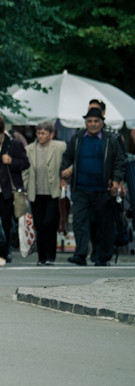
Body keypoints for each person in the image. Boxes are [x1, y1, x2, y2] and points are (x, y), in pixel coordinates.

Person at [61, 106, 125, 266]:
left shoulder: (110, 139)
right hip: (81, 188)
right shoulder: (77, 138)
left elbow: (119, 162)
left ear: (102, 123)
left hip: (103, 189)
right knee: (79, 222)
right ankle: (80, 254)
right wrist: (62, 174)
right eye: (89, 121)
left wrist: (116, 181)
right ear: (86, 123)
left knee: (104, 225)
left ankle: (103, 257)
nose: (93, 124)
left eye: (96, 121)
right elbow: (67, 157)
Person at [0, 114, 29, 266]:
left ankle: (3, 252)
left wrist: (12, 161)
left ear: (3, 133)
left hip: (5, 190)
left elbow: (25, 163)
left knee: (4, 223)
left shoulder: (13, 145)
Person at [23, 121, 66, 266]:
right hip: (36, 192)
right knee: (39, 224)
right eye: (38, 133)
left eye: (43, 133)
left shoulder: (60, 147)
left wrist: (65, 176)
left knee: (49, 223)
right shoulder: (29, 149)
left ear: (51, 134)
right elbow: (25, 171)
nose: (39, 136)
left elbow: (69, 162)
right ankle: (42, 257)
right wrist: (24, 189)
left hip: (53, 192)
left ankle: (50, 256)